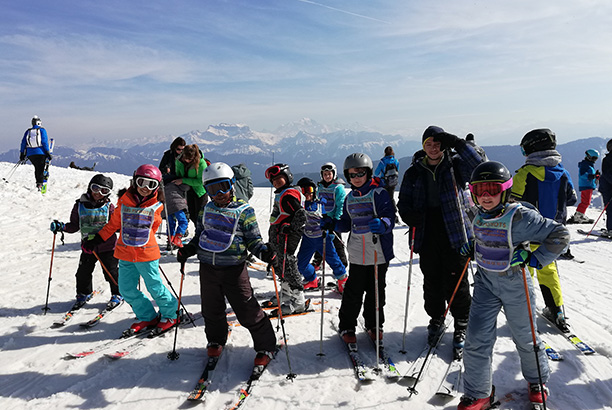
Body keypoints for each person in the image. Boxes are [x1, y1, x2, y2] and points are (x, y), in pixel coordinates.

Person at [457, 161, 569, 410]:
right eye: (480, 190)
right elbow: (485, 237)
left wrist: (534, 258)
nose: (486, 196)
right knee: (476, 339)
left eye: (492, 189)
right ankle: (478, 393)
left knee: (526, 337)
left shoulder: (521, 217)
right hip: (485, 283)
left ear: (505, 190)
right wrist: (473, 248)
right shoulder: (476, 213)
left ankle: (537, 381)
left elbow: (560, 235)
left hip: (515, 283)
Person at [176, 162, 278, 366]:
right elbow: (200, 236)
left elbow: (253, 241)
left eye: (223, 186)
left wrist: (265, 252)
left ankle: (266, 344)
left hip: (234, 269)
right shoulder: (206, 210)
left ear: (232, 184)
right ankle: (216, 339)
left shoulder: (244, 210)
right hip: (208, 268)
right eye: (212, 189)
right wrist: (188, 249)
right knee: (211, 309)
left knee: (247, 310)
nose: (219, 193)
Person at [398, 126, 483, 349]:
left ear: (443, 145)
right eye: (428, 144)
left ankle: (462, 322)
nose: (433, 148)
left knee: (457, 280)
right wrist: (407, 215)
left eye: (437, 144)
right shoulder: (414, 172)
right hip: (427, 232)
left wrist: (458, 143)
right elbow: (403, 202)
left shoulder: (455, 166)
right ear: (422, 146)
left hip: (455, 232)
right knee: (432, 280)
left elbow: (480, 167)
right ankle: (436, 318)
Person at [84, 164, 178, 336]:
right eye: (142, 182)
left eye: (151, 185)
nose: (145, 188)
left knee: (155, 287)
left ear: (157, 187)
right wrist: (97, 240)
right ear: (135, 181)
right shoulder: (124, 202)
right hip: (125, 253)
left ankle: (171, 314)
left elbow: (154, 228)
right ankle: (147, 315)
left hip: (146, 254)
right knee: (126, 289)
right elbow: (113, 224)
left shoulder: (157, 206)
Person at [511, 128, 576, 332]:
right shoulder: (563, 172)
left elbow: (512, 201)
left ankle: (524, 312)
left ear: (532, 149)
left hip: (528, 232)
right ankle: (557, 311)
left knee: (525, 272)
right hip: (553, 233)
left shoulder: (525, 173)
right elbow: (572, 198)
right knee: (548, 272)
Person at [336, 153, 395, 343]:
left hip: (378, 252)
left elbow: (390, 215)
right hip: (357, 254)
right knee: (353, 292)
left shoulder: (379, 193)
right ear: (347, 176)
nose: (357, 178)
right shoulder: (349, 198)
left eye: (360, 173)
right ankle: (347, 325)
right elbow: (346, 223)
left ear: (368, 173)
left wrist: (384, 224)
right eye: (352, 175)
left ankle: (374, 324)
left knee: (376, 292)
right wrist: (332, 224)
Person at [49, 174, 122, 309]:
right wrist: (62, 227)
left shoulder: (109, 207)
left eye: (104, 191)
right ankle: (84, 293)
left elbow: (114, 226)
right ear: (89, 188)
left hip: (108, 247)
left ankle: (118, 293)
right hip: (88, 247)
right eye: (95, 188)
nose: (98, 194)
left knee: (111, 272)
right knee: (83, 272)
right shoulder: (79, 206)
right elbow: (75, 225)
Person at [264, 163, 308, 315]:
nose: (276, 182)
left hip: (286, 236)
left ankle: (299, 300)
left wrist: (291, 228)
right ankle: (287, 292)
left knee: (287, 263)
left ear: (287, 176)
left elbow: (301, 215)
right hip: (278, 236)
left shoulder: (288, 195)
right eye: (273, 180)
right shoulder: (283, 193)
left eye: (279, 179)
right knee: (279, 262)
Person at [295, 177, 348, 292]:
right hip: (308, 239)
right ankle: (312, 280)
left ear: (314, 190)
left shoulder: (319, 204)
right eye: (303, 190)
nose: (307, 193)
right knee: (300, 264)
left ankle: (343, 281)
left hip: (322, 238)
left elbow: (325, 218)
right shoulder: (299, 206)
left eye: (309, 189)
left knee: (333, 260)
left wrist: (329, 228)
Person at [312, 162, 348, 274]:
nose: (327, 176)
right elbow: (317, 200)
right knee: (320, 240)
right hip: (322, 218)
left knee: (336, 243)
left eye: (329, 174)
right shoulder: (321, 186)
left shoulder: (338, 188)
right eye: (325, 174)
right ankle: (318, 261)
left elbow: (340, 204)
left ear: (334, 174)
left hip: (334, 220)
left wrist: (336, 220)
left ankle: (342, 264)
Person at [174, 144, 208, 226]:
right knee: (192, 215)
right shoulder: (179, 161)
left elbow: (201, 181)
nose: (187, 161)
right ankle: (198, 233)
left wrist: (183, 180)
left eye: (190, 159)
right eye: (186, 158)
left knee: (200, 216)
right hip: (188, 191)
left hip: (200, 192)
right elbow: (178, 175)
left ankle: (201, 234)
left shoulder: (201, 163)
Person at [20, 115, 52, 191]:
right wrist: (47, 152)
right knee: (40, 168)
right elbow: (44, 142)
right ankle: (40, 184)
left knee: (37, 168)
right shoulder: (42, 130)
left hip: (30, 154)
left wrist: (22, 154)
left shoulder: (28, 131)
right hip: (41, 153)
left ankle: (39, 183)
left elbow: (23, 143)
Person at [568, 149, 600, 224]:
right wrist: (592, 176)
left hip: (588, 185)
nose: (594, 160)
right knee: (586, 201)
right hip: (586, 185)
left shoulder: (589, 165)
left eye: (596, 158)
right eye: (593, 158)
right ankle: (579, 216)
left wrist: (596, 176)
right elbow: (583, 175)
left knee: (586, 201)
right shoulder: (585, 165)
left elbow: (590, 175)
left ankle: (580, 215)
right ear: (588, 157)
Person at [374, 146, 400, 214]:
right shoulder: (396, 161)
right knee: (391, 197)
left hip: (384, 182)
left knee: (384, 198)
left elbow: (376, 173)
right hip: (393, 182)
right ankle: (394, 212)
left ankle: (385, 212)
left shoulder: (382, 162)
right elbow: (397, 170)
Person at [163, 181, 190, 249]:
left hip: (167, 206)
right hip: (177, 205)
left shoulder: (163, 183)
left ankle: (170, 240)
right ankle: (177, 240)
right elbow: (187, 187)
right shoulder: (177, 182)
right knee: (183, 222)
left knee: (170, 223)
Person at [598, 140, 612, 238]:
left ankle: (611, 229)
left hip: (607, 187)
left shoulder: (607, 159)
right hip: (608, 187)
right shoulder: (608, 159)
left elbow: (606, 174)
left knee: (610, 208)